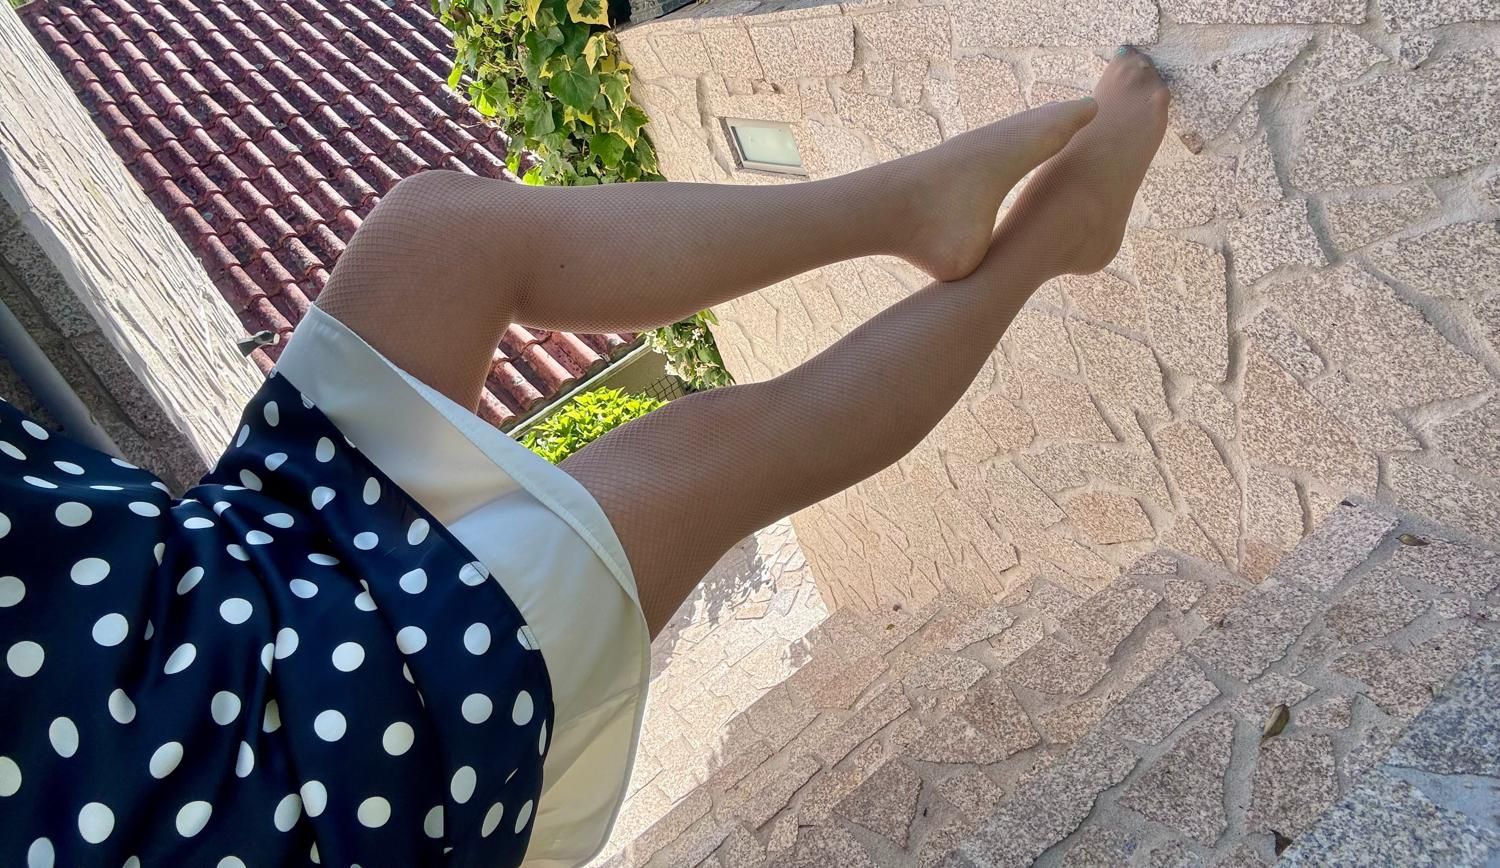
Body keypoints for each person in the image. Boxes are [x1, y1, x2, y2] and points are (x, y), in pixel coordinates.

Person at [0, 48, 1168, 868]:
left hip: (201, 571)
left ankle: (911, 204)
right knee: (690, 460)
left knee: (441, 237)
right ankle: (1058, 234)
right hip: (255, 781)